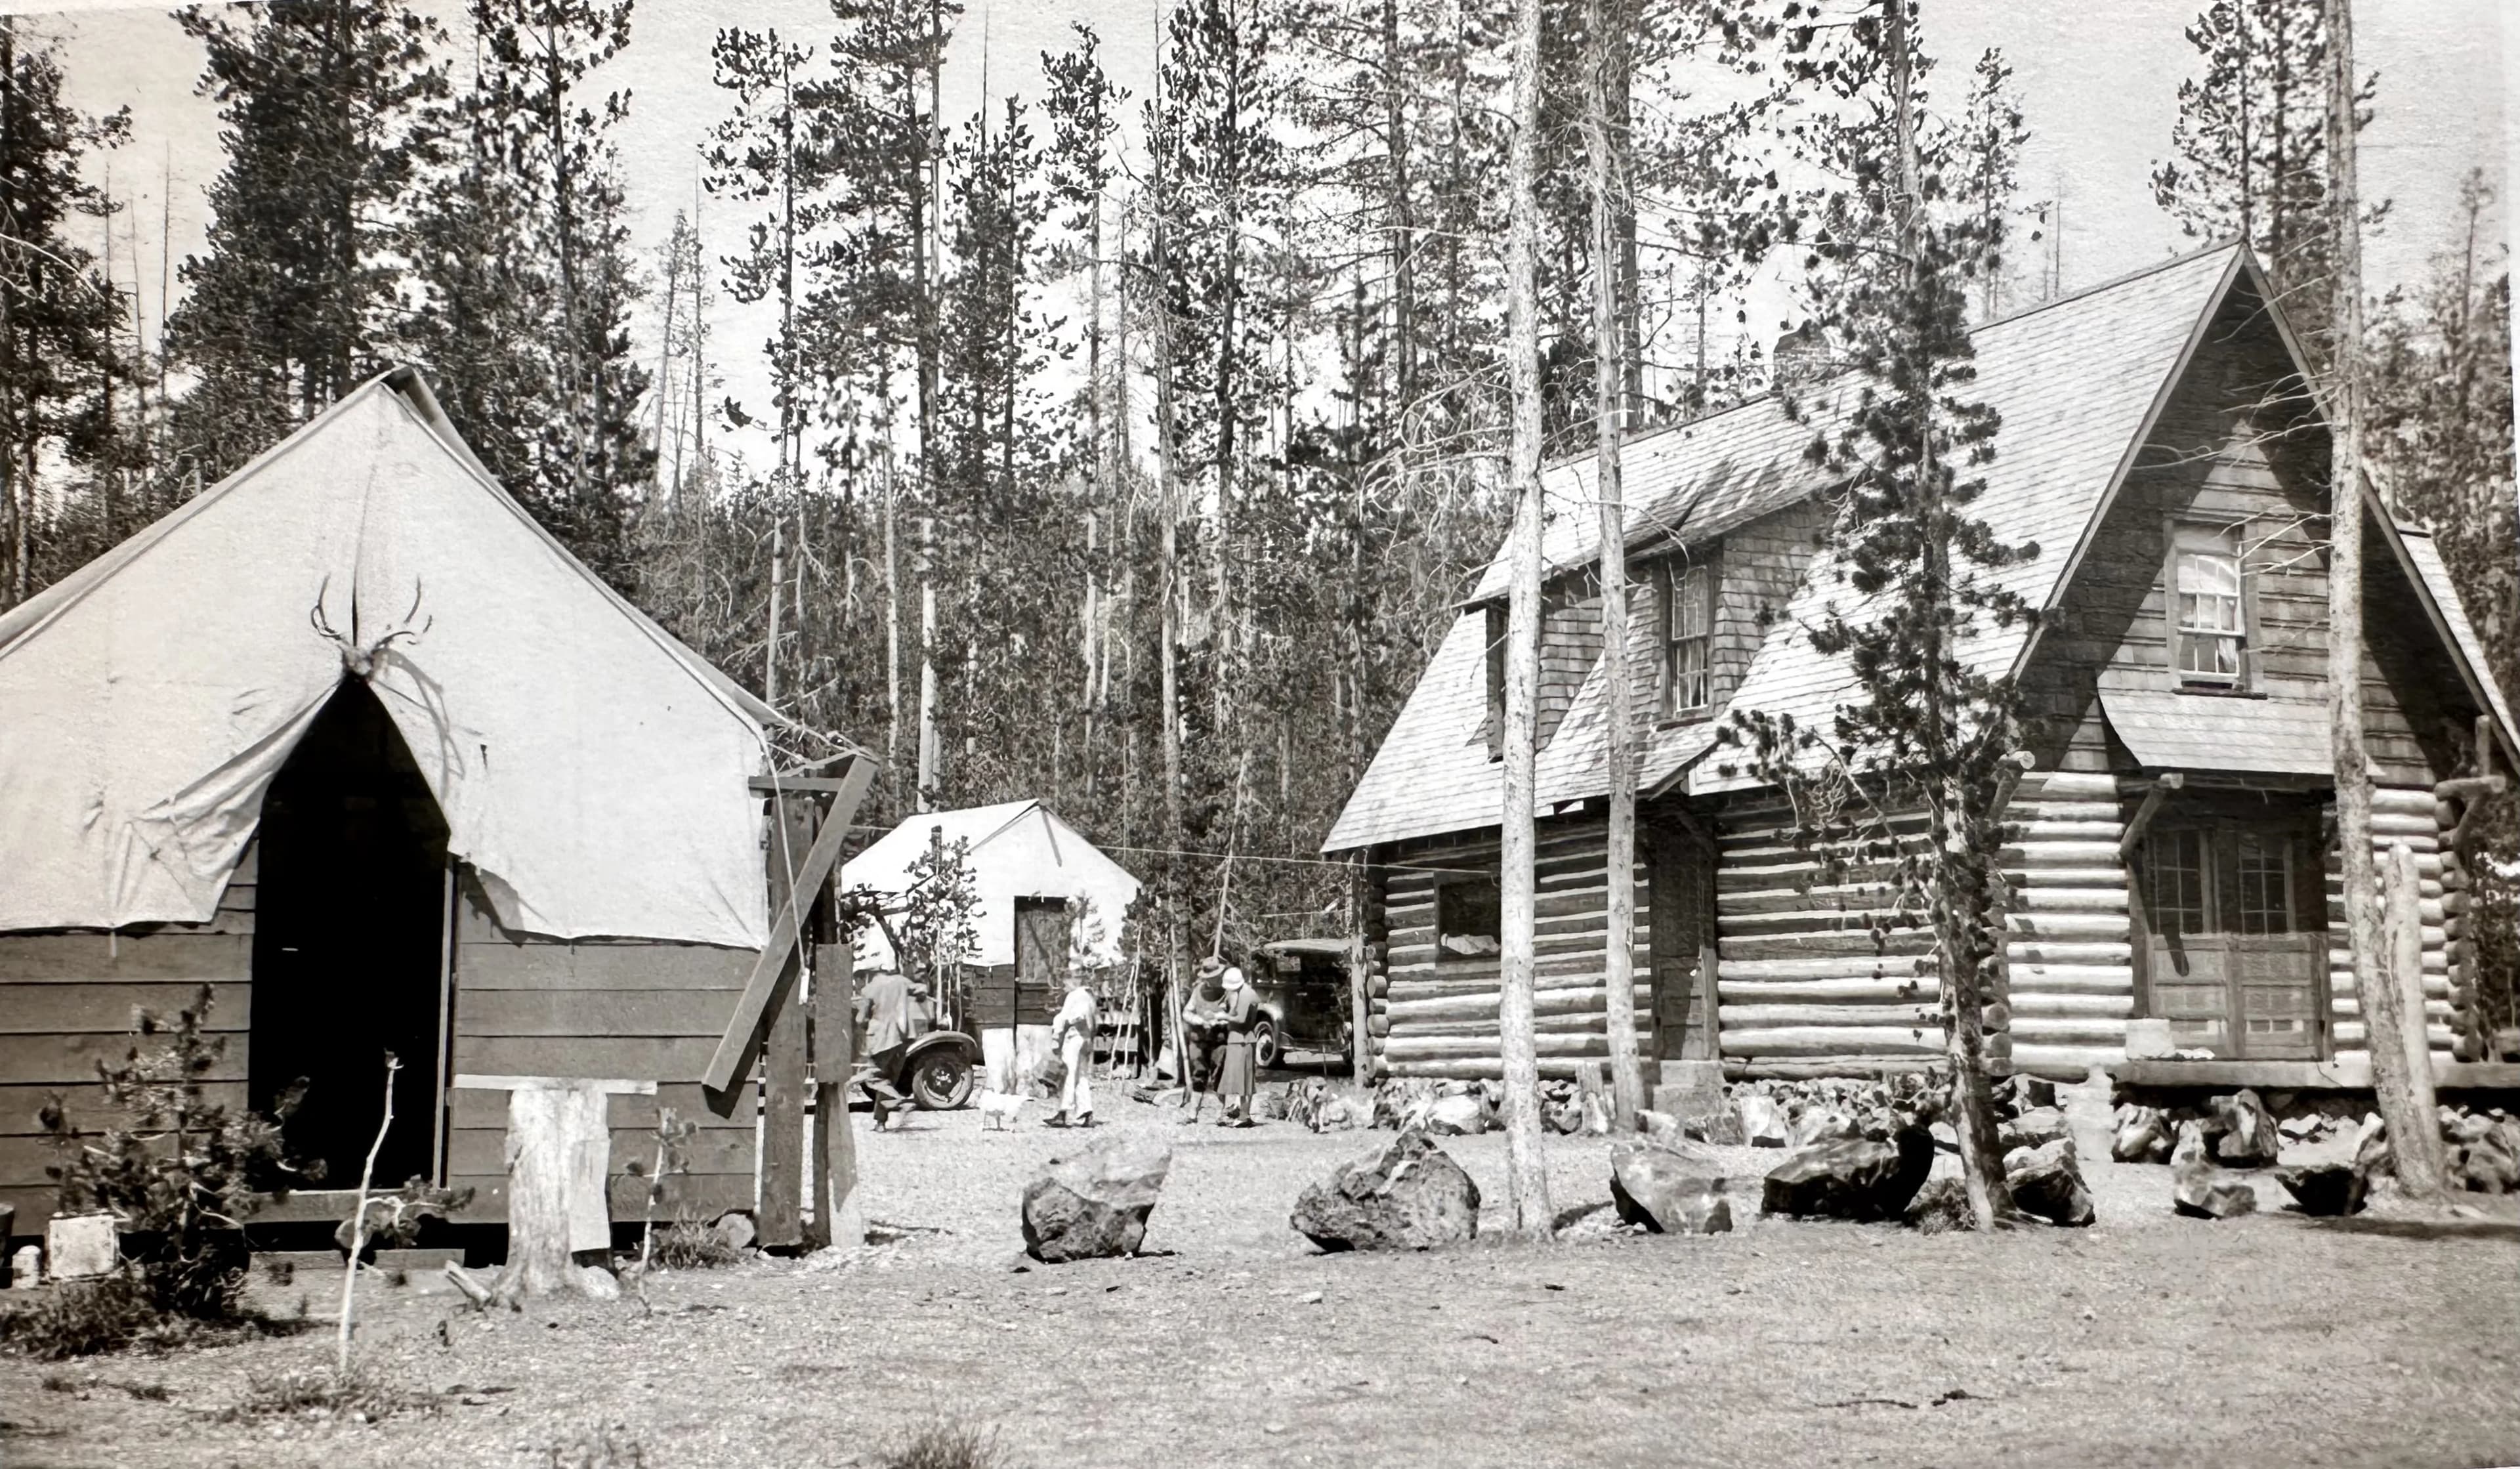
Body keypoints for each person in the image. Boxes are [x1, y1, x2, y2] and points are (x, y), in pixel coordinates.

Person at [855, 969, 915, 1126]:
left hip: (880, 1039)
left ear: (868, 975)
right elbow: (921, 989)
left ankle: (899, 1101)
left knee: (872, 1078)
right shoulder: (901, 981)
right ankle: (880, 1122)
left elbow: (860, 1019)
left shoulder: (869, 989)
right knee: (887, 1081)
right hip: (901, 1038)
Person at [1179, 958, 1228, 1123]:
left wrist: (1221, 1021)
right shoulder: (1198, 990)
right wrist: (1199, 1020)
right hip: (1199, 1041)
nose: (1213, 979)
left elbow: (1237, 1016)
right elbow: (1187, 1013)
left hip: (1219, 1042)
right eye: (1210, 976)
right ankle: (1193, 1115)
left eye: (1216, 975)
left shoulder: (1228, 992)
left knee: (1219, 1076)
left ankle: (1224, 1113)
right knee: (1198, 1076)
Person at [1045, 975, 1097, 1128]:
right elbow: (1091, 1020)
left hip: (1074, 1038)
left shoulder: (1076, 995)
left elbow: (1079, 1017)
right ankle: (1087, 1113)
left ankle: (1063, 1113)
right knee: (1081, 1077)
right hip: (1085, 1039)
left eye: (1066, 982)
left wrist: (1064, 1021)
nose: (1064, 985)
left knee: (1068, 1075)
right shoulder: (1089, 996)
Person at [1216, 964, 1261, 1126]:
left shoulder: (1246, 995)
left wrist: (1224, 1016)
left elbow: (1241, 1019)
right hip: (1236, 1039)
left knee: (1244, 1079)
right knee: (1235, 1078)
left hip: (1244, 1040)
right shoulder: (1240, 992)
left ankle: (1244, 1116)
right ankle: (1237, 1111)